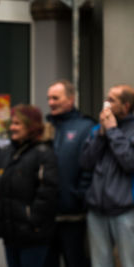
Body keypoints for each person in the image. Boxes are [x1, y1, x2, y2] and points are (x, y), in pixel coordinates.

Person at [0, 104, 58, 267]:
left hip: (33, 237)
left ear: (31, 126)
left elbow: (48, 193)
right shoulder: (5, 153)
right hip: (10, 234)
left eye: (18, 123)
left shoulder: (44, 154)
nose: (12, 127)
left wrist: (31, 220)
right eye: (12, 123)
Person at [80, 84, 134, 267]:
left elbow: (130, 163)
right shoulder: (98, 129)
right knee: (100, 263)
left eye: (111, 100)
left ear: (126, 106)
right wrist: (102, 135)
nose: (106, 104)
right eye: (106, 98)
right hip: (97, 209)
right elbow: (86, 163)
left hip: (126, 210)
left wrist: (112, 132)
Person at [44, 80, 94, 267]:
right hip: (48, 215)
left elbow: (90, 167)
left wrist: (79, 195)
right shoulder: (46, 127)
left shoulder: (85, 128)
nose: (51, 102)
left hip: (73, 215)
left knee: (75, 261)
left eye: (56, 98)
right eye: (49, 98)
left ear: (71, 99)